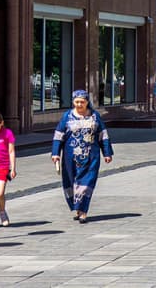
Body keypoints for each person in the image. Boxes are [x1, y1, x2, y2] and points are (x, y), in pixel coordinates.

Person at [51, 90, 113, 224]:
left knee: (87, 183)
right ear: (73, 102)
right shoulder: (67, 116)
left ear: (87, 102)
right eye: (77, 102)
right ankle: (78, 209)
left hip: (91, 157)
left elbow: (103, 135)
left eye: (82, 102)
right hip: (70, 158)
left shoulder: (95, 116)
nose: (79, 104)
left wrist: (107, 153)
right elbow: (58, 136)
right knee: (72, 183)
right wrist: (55, 153)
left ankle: (84, 211)